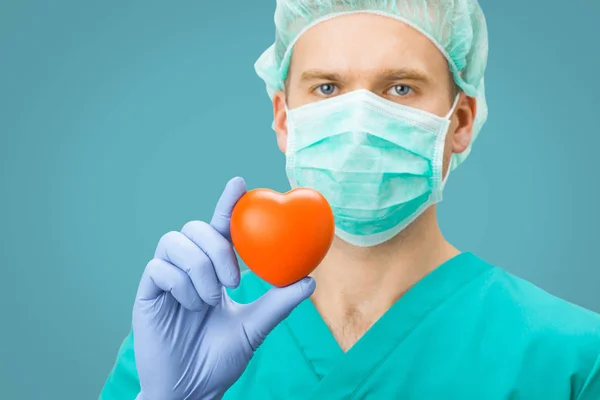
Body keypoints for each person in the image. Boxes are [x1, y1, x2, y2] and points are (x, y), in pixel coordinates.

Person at [99, 1, 600, 399]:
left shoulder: (570, 359)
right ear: (283, 117)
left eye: (400, 88)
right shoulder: (181, 338)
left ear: (460, 122)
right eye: (327, 87)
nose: (359, 119)